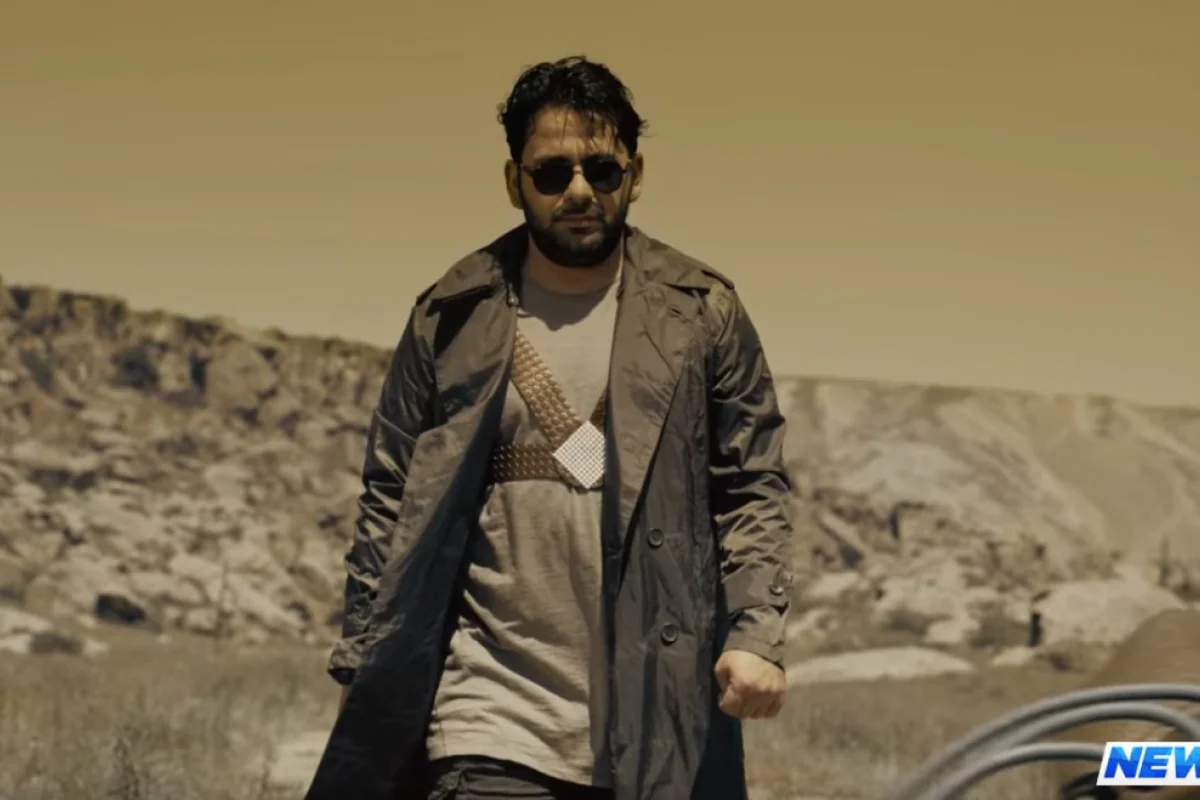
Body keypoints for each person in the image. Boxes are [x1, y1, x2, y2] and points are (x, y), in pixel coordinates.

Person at [305, 55, 795, 800]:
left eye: (602, 170)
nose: (579, 191)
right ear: (514, 181)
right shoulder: (451, 316)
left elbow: (752, 486)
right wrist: (361, 670)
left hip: (661, 719)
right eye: (552, 172)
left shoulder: (701, 313)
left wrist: (756, 632)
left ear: (635, 175)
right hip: (487, 717)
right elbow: (389, 504)